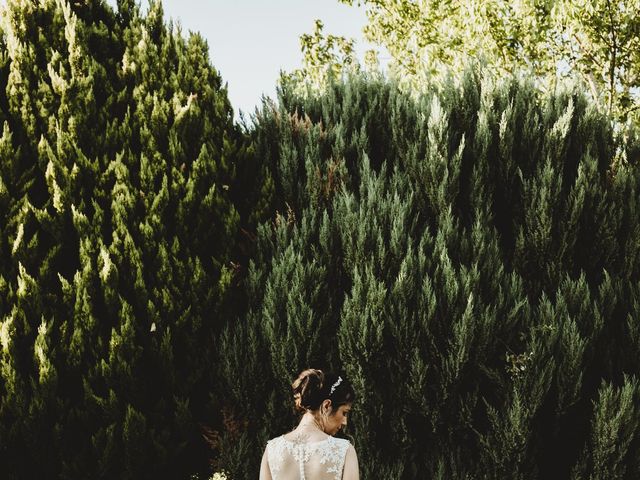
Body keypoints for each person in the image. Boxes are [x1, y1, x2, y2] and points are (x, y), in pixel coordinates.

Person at [259, 369, 360, 480]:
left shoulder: (272, 449)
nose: (345, 422)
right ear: (326, 406)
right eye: (344, 412)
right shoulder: (344, 450)